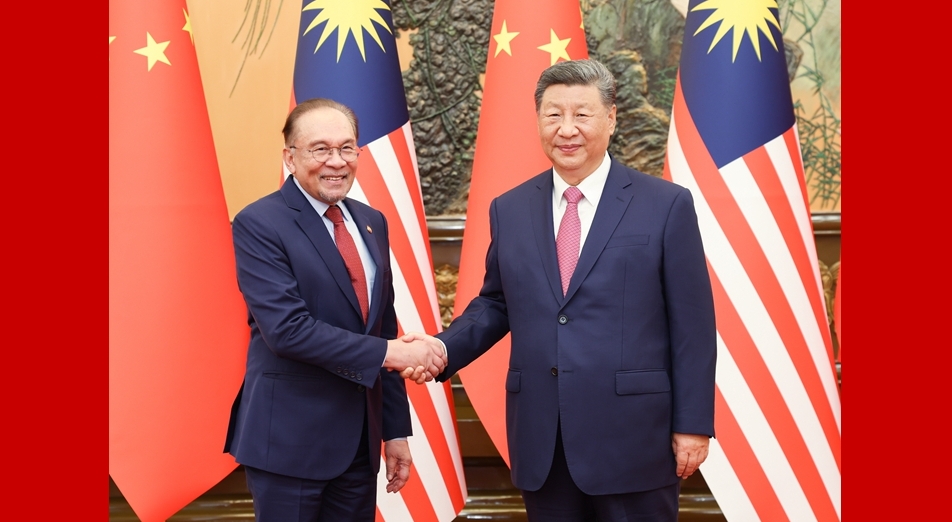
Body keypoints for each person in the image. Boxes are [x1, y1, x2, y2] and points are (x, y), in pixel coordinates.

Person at [405, 59, 717, 521]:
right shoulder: (510, 208)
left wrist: (692, 425)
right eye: (553, 115)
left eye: (581, 114)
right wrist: (441, 348)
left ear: (611, 118)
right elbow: (496, 302)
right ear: (538, 121)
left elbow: (693, 325)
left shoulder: (665, 205)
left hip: (635, 440)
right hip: (543, 441)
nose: (566, 129)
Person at [223, 98, 446, 522]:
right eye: (320, 149)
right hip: (289, 444)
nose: (337, 161)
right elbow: (288, 330)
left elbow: (382, 327)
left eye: (346, 148)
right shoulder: (260, 223)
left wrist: (394, 430)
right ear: (290, 157)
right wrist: (394, 353)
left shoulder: (371, 221)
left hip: (359, 445)